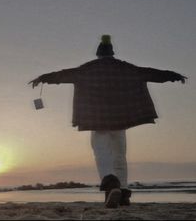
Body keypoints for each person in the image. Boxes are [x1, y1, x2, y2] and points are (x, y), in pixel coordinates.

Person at [29, 35, 187, 208]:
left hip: (96, 119)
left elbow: (64, 75)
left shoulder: (87, 69)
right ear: (112, 53)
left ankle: (112, 185)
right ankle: (124, 194)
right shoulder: (125, 67)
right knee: (120, 157)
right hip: (120, 120)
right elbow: (150, 73)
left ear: (98, 54)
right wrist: (173, 75)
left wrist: (43, 77)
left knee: (102, 153)